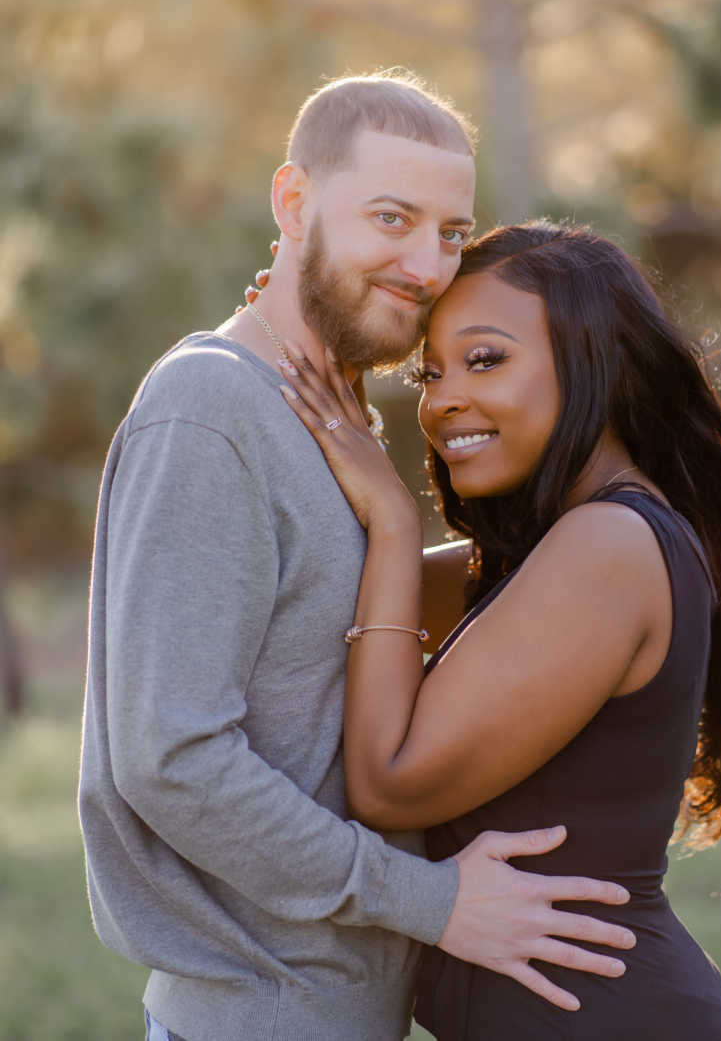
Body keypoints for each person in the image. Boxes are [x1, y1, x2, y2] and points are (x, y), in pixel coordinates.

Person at [78, 75, 637, 1041]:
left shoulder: (328, 415)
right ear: (294, 204)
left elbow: (332, 630)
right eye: (393, 217)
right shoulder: (211, 411)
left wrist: (625, 534)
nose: (427, 265)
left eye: (452, 231)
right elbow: (171, 757)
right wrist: (431, 901)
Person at [277, 220, 721, 1039]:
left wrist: (391, 520)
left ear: (595, 361)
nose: (443, 398)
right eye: (430, 370)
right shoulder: (545, 553)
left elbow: (388, 780)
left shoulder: (610, 547)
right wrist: (290, 323)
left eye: (486, 359)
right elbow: (327, 601)